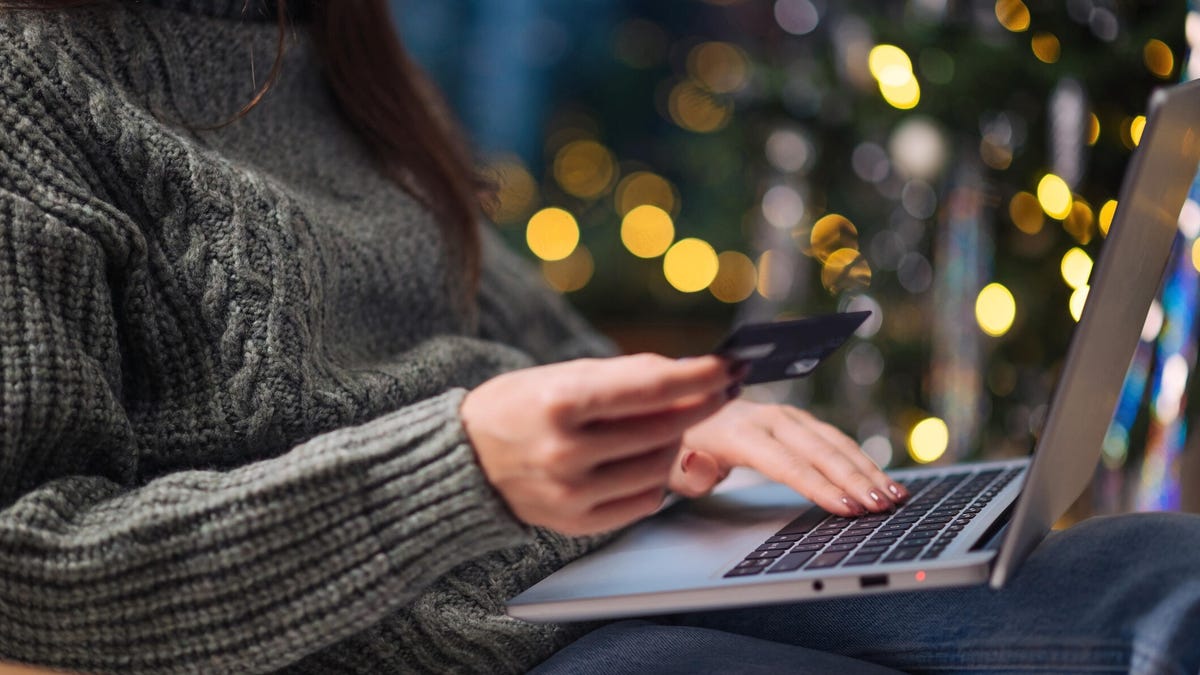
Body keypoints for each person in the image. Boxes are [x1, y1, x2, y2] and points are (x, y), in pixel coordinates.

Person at [0, 1, 1196, 673]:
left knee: (1158, 583)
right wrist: (455, 472)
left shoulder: (320, 44)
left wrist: (669, 414)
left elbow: (533, 339)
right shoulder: (30, 90)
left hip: (612, 560)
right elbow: (28, 572)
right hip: (426, 644)